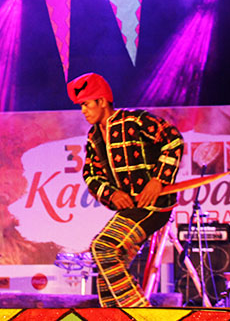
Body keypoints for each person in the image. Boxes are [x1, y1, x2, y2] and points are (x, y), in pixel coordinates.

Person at [67, 72, 184, 307]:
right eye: (81, 106)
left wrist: (158, 180)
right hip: (133, 207)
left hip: (156, 204)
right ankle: (113, 314)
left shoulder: (135, 120)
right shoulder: (94, 137)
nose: (83, 111)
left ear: (101, 101)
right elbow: (91, 175)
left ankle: (141, 312)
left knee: (103, 247)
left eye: (86, 104)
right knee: (107, 260)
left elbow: (173, 140)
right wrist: (112, 194)